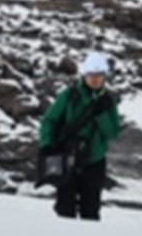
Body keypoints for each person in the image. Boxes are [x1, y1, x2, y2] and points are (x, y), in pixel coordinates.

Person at [39, 50, 123, 220]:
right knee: (65, 206)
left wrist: (101, 114)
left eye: (99, 75)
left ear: (104, 77)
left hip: (94, 160)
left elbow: (112, 132)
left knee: (91, 209)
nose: (95, 79)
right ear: (84, 75)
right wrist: (46, 144)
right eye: (91, 75)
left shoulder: (108, 101)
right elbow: (50, 120)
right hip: (67, 155)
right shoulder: (69, 96)